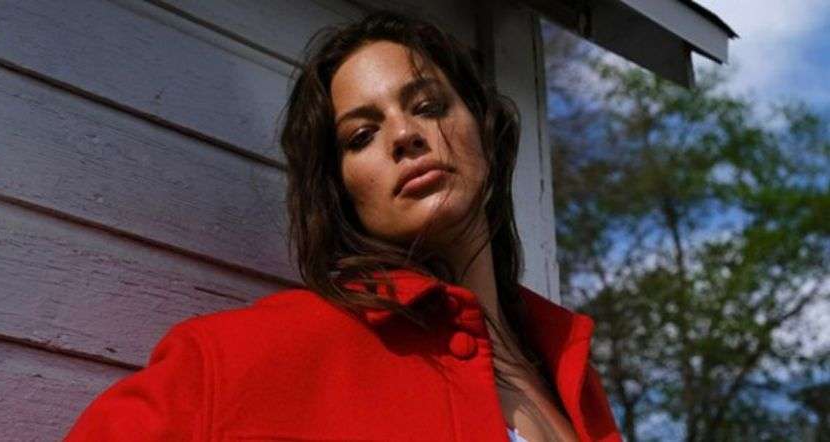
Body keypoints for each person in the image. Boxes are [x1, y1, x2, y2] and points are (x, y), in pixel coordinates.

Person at [64, 9, 621, 442]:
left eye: (428, 106)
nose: (404, 135)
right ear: (340, 191)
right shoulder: (243, 356)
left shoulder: (570, 369)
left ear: (484, 130)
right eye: (361, 136)